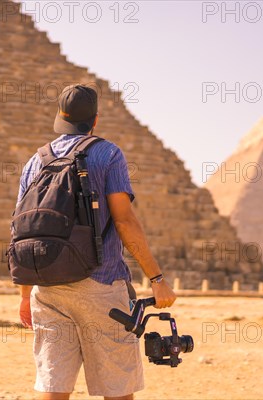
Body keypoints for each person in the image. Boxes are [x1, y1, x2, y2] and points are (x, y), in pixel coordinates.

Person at [15, 84, 177, 400]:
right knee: (117, 388)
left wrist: (25, 294)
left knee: (53, 385)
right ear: (95, 119)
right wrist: (156, 279)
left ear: (60, 117)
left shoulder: (34, 162)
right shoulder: (106, 154)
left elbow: (22, 229)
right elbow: (124, 220)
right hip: (100, 284)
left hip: (46, 286)